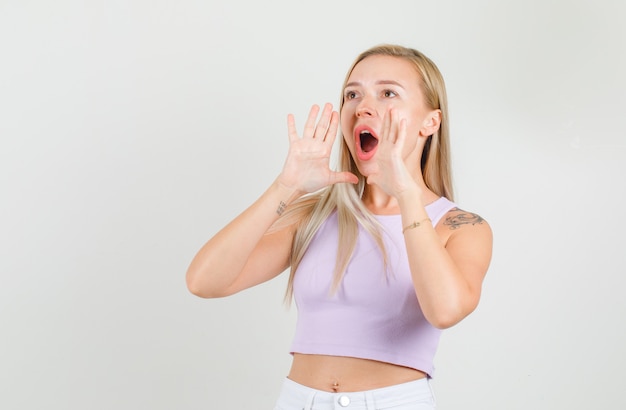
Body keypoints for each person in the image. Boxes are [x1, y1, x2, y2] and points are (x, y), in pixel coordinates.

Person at [186, 44, 493, 410]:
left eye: (388, 92)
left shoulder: (459, 226)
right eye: (352, 94)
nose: (363, 106)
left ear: (430, 122)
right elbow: (204, 281)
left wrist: (407, 194)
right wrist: (286, 187)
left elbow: (444, 311)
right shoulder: (315, 214)